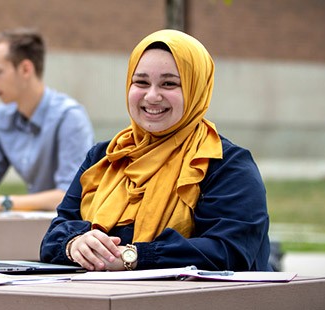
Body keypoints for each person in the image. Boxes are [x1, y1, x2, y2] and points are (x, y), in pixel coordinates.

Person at [40, 30, 272, 272]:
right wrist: (74, 244)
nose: (152, 96)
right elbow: (53, 236)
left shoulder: (225, 164)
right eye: (141, 82)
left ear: (196, 89)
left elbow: (229, 251)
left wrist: (134, 257)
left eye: (169, 83)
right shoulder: (105, 157)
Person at [0, 28, 94, 212]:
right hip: (32, 226)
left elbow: (70, 195)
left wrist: (3, 202)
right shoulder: (2, 117)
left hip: (71, 231)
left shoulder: (70, 117)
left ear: (25, 69)